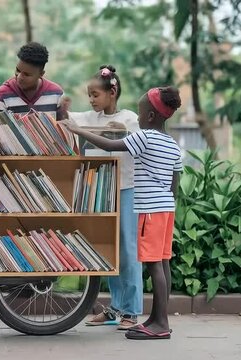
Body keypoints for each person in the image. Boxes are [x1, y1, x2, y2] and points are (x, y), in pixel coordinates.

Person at [62, 86, 183, 340]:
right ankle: (159, 318)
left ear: (150, 117)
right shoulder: (172, 144)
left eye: (140, 114)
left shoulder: (145, 136)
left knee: (152, 265)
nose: (138, 119)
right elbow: (175, 183)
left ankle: (160, 324)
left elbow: (111, 144)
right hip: (166, 210)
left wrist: (77, 130)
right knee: (163, 263)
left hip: (148, 211)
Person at [67, 65, 142, 330]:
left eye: (95, 94)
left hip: (126, 189)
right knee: (110, 249)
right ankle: (115, 309)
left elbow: (135, 145)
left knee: (128, 249)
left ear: (113, 92)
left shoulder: (130, 118)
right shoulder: (89, 117)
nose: (91, 99)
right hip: (102, 191)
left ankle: (132, 312)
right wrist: (61, 105)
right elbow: (68, 119)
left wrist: (118, 130)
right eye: (89, 95)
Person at [0, 42, 65, 119]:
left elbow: (62, 126)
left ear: (41, 74)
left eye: (27, 74)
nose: (19, 77)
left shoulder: (56, 94)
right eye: (18, 70)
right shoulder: (3, 94)